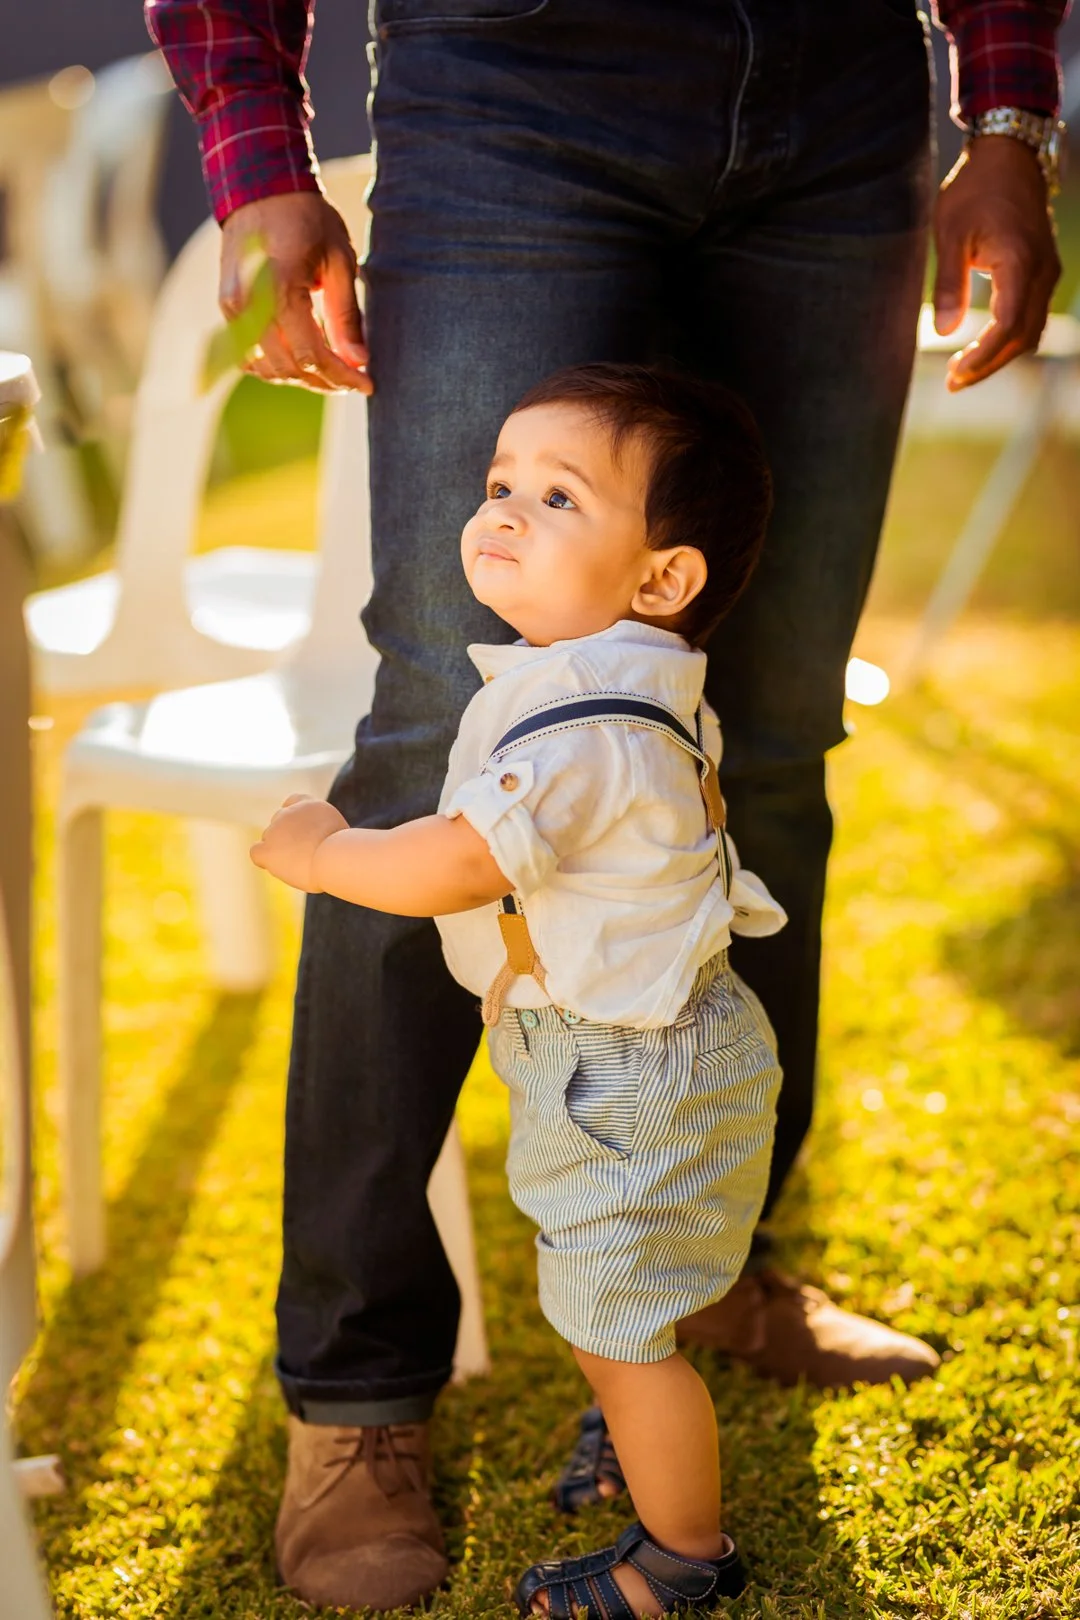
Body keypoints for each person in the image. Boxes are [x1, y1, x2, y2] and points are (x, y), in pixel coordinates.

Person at [147, 0, 1067, 1609]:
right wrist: (253, 142)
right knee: (441, 727)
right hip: (515, 80)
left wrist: (1006, 116)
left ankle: (700, 1268)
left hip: (841, 103)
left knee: (767, 742)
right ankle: (357, 1397)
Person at [252, 361, 790, 1617]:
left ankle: (682, 1557)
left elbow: (460, 862)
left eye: (558, 498)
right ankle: (638, 1413)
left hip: (630, 1075)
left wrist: (326, 854)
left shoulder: (581, 732)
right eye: (501, 483)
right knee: (627, 1287)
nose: (499, 512)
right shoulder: (632, 682)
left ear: (663, 579)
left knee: (616, 1320)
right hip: (668, 1044)